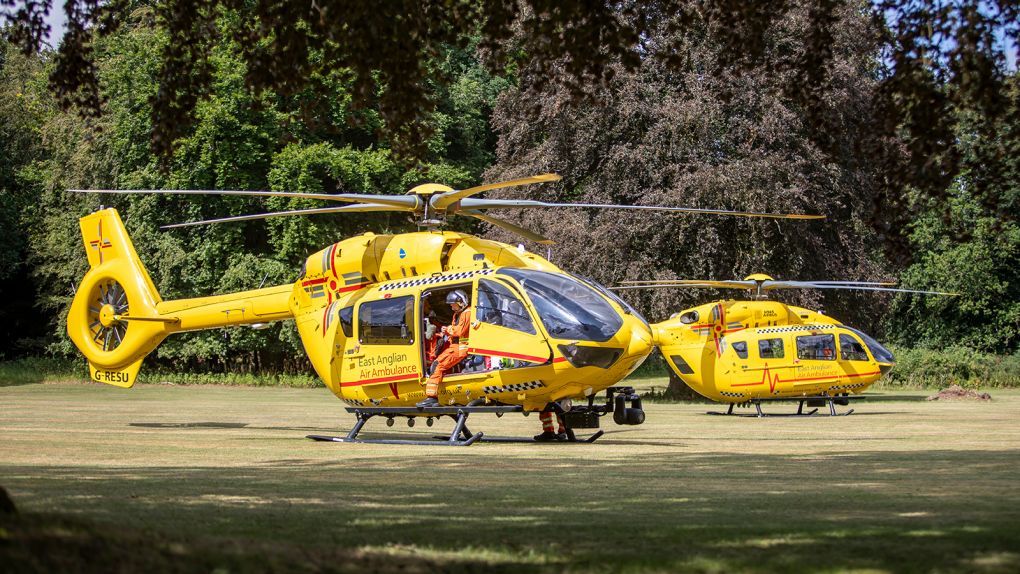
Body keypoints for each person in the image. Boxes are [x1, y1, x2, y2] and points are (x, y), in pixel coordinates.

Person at [417, 289, 474, 407]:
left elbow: (459, 331)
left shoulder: (467, 313)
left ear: (461, 302)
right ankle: (435, 396)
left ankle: (432, 397)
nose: (452, 307)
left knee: (438, 366)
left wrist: (447, 329)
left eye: (453, 305)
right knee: (435, 364)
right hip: (455, 347)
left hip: (461, 348)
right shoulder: (457, 314)